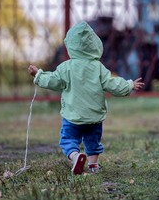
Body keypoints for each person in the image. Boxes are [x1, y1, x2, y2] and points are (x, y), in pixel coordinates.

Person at [28, 21, 144, 175]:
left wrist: (38, 75)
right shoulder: (98, 67)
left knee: (68, 140)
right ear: (94, 44)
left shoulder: (66, 67)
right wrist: (129, 85)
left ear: (70, 46)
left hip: (72, 117)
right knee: (93, 141)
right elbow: (111, 84)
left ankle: (75, 157)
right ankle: (93, 165)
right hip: (94, 117)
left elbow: (53, 80)